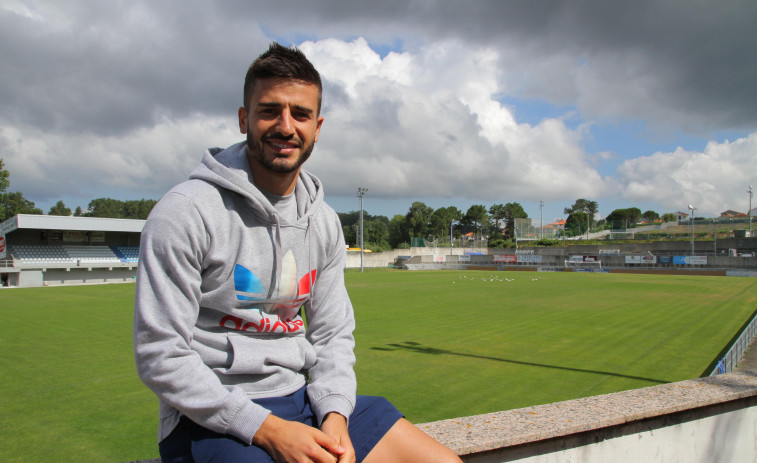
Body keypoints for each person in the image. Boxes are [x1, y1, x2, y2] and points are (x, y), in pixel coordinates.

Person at [133, 42, 462, 463]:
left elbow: (332, 335)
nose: (286, 126)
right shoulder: (186, 211)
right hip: (210, 416)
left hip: (302, 400)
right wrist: (269, 431)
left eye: (301, 114)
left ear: (317, 126)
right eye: (270, 110)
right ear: (243, 119)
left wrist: (336, 415)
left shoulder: (322, 221)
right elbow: (160, 353)